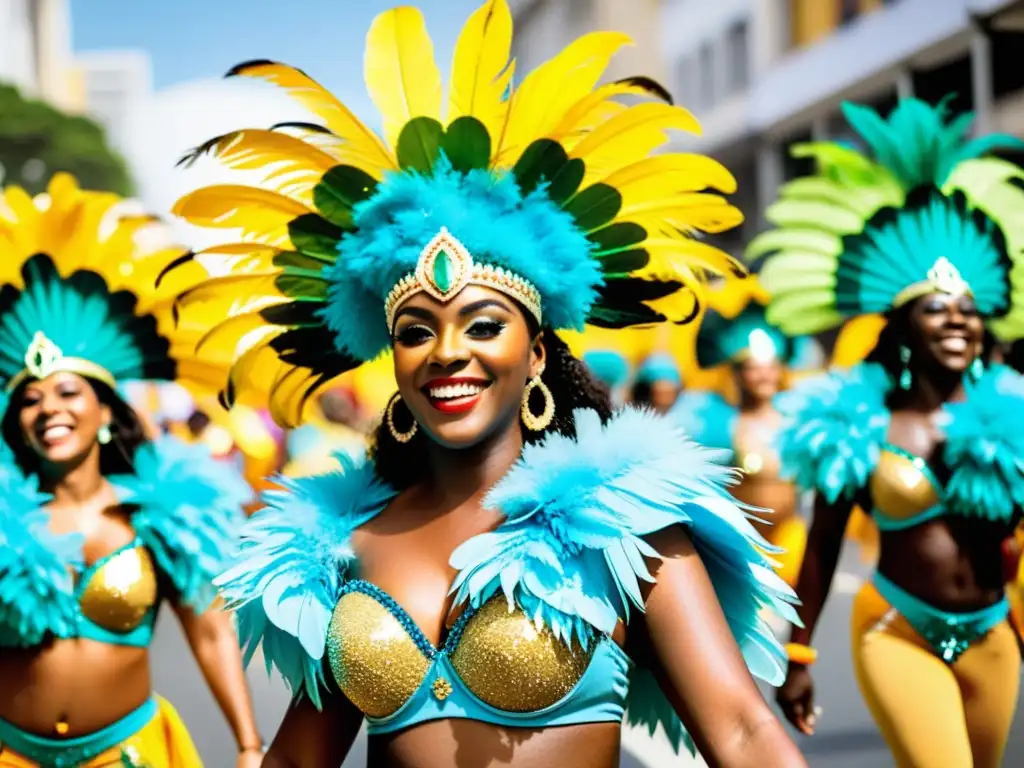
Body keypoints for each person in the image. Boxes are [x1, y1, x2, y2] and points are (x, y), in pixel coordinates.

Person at [169, 3, 806, 766]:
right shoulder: (344, 545)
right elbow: (297, 759)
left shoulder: (622, 526)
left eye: (482, 325)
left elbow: (741, 729)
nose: (446, 352)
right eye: (415, 332)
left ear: (536, 354)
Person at [749, 96, 1024, 768]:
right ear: (902, 327)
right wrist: (797, 653)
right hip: (895, 628)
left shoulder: (1014, 415)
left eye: (969, 310)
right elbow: (824, 542)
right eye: (937, 309)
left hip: (993, 635)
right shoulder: (859, 422)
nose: (958, 320)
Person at [0, 175, 263, 767]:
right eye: (30, 400)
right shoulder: (2, 516)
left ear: (102, 409)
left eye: (67, 392)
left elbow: (211, 631)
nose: (49, 410)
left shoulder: (160, 512)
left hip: (128, 755)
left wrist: (249, 745)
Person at [675, 298, 813, 588]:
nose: (764, 375)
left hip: (789, 540)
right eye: (753, 367)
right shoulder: (716, 424)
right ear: (737, 373)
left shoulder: (797, 419)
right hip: (742, 547)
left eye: (772, 366)